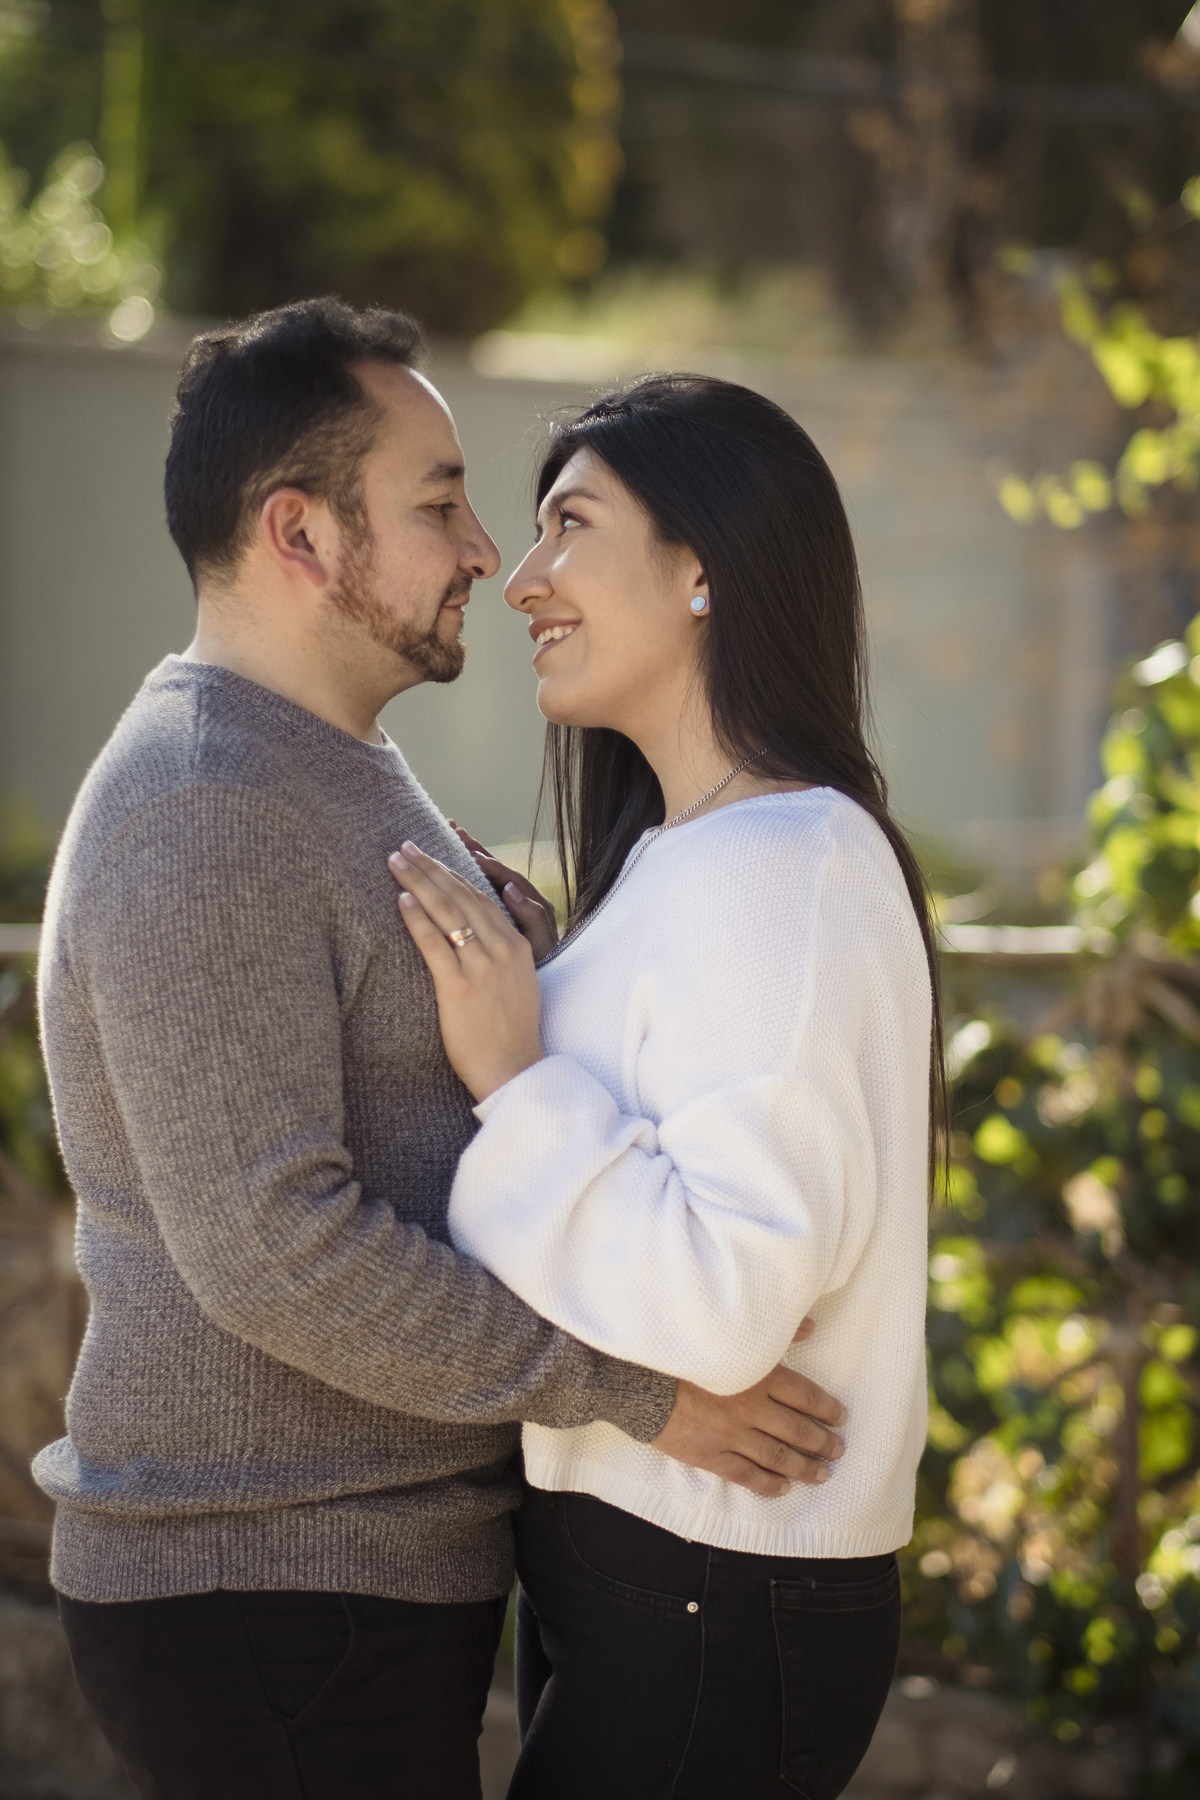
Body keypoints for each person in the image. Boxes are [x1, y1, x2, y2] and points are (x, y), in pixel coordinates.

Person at [32, 303, 846, 1800]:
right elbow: (277, 1245)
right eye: (439, 503)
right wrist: (643, 1388)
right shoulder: (205, 801)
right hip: (263, 1593)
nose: (488, 549)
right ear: (300, 532)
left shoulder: (333, 766)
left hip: (353, 1582)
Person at [388, 372, 944, 1800]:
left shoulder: (782, 865)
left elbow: (726, 1299)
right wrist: (555, 987)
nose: (520, 583)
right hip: (662, 1565)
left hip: (714, 1576)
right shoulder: (699, 862)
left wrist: (519, 1075)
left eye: (568, 526)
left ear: (703, 568)